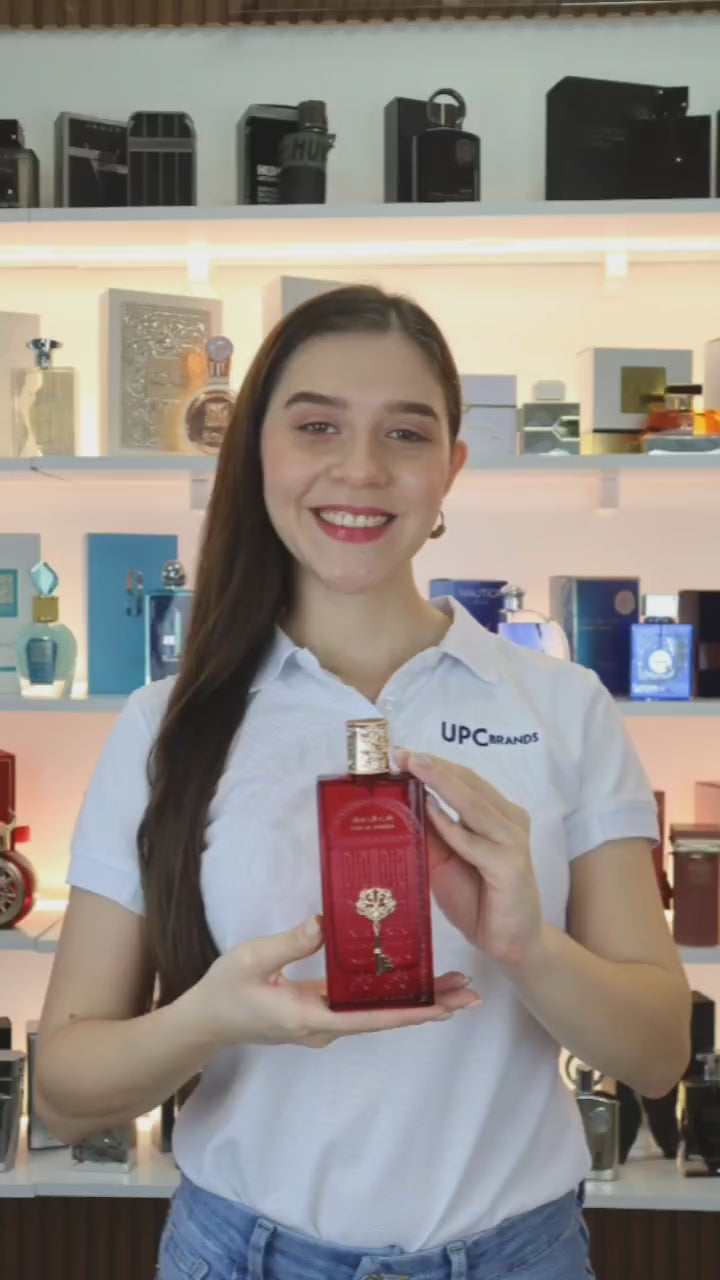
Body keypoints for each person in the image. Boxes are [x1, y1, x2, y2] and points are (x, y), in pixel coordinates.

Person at [35, 286, 690, 1280]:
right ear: (257, 452)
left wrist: (529, 945)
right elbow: (64, 1089)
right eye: (317, 426)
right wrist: (214, 1015)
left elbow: (657, 1053)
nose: (361, 469)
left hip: (521, 1254)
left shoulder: (565, 705)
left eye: (405, 433)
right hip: (242, 1253)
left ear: (451, 469)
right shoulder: (164, 725)